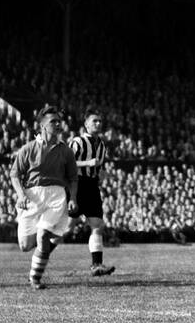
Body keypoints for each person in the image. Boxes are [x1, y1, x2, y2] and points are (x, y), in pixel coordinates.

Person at [9, 106, 78, 289]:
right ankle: (54, 239)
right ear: (42, 126)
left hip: (56, 195)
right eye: (52, 122)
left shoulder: (66, 151)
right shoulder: (28, 149)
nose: (57, 124)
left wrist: (73, 199)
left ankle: (35, 279)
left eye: (58, 121)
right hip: (32, 196)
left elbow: (73, 178)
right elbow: (15, 175)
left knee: (43, 234)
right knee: (25, 245)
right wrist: (21, 195)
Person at [68, 109, 116, 276]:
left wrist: (101, 175)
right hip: (77, 185)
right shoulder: (77, 142)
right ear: (86, 124)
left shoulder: (102, 145)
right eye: (94, 121)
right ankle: (41, 255)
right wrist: (88, 162)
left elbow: (99, 166)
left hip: (92, 187)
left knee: (97, 225)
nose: (98, 123)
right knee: (66, 228)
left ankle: (96, 265)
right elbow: (67, 164)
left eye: (100, 121)